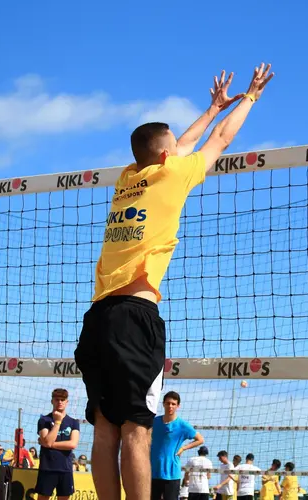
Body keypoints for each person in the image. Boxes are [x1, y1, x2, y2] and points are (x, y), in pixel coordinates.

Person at [74, 64, 274, 500]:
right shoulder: (172, 174)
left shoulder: (130, 178)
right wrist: (250, 98)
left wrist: (210, 109)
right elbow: (221, 140)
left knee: (105, 428)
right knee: (136, 431)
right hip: (134, 317)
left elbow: (177, 144)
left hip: (98, 317)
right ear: (167, 159)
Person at [150, 391, 204, 500]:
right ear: (163, 404)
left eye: (173, 404)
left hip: (172, 474)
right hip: (153, 472)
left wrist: (183, 448)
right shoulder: (153, 422)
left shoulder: (182, 425)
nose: (170, 406)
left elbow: (200, 439)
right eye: (168, 403)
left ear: (178, 406)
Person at [35, 388, 80, 500]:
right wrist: (58, 422)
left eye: (62, 399)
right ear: (52, 401)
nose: (60, 402)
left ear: (67, 402)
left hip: (65, 468)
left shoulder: (73, 422)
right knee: (43, 497)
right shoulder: (44, 420)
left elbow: (72, 444)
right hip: (47, 468)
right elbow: (48, 441)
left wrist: (49, 444)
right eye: (57, 399)